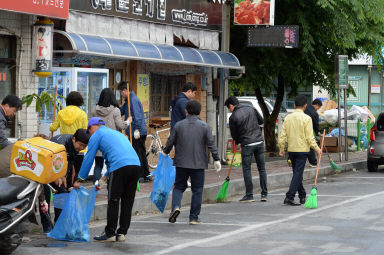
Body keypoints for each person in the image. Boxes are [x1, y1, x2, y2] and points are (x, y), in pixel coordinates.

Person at [74, 117, 141, 242]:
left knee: (114, 200)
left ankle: (110, 233)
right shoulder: (115, 133)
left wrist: (80, 178)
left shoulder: (97, 135)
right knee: (127, 201)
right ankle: (121, 233)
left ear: (92, 127)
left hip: (120, 167)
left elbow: (89, 158)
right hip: (136, 165)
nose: (89, 135)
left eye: (89, 131)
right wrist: (104, 177)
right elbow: (117, 155)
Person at [162, 100, 221, 225]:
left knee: (178, 187)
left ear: (186, 111)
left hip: (181, 163)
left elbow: (170, 141)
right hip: (198, 164)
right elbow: (211, 144)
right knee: (197, 189)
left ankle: (176, 207)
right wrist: (216, 159)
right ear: (199, 112)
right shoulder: (205, 126)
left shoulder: (178, 125)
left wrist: (165, 152)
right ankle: (193, 217)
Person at [39, 129, 90, 233]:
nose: (81, 148)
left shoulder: (75, 148)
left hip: (59, 171)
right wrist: (58, 175)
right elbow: (53, 160)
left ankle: (59, 225)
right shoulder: (60, 144)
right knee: (45, 198)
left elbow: (69, 165)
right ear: (74, 139)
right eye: (80, 145)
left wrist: (69, 183)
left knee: (62, 193)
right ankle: (47, 226)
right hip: (44, 170)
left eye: (84, 147)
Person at [278, 95, 321, 206]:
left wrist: (281, 148)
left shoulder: (288, 118)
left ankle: (302, 195)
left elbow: (282, 136)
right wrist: (317, 149)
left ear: (294, 105)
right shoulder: (307, 119)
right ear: (305, 106)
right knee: (297, 173)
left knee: (297, 173)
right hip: (302, 150)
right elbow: (309, 137)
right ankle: (289, 196)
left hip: (292, 150)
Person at [225, 96, 268, 202]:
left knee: (247, 169)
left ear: (231, 106)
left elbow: (234, 135)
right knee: (262, 169)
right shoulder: (251, 108)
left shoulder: (233, 117)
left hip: (247, 144)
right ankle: (264, 194)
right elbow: (261, 121)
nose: (229, 110)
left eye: (228, 108)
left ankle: (249, 195)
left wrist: (239, 141)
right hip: (259, 141)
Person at [92, 88, 131, 183]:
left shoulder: (94, 110)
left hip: (98, 142)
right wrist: (128, 122)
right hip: (111, 143)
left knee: (98, 165)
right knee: (111, 166)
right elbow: (120, 125)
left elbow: (92, 125)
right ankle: (110, 186)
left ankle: (95, 188)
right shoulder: (115, 110)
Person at [118, 81, 151, 182]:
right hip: (136, 131)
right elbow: (121, 111)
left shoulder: (133, 100)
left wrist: (136, 130)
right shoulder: (128, 100)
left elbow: (138, 117)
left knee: (138, 153)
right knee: (141, 152)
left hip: (137, 132)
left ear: (125, 90)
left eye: (121, 91)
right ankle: (146, 173)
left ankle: (141, 175)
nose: (121, 94)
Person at [304, 99, 323, 167]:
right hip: (309, 131)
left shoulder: (304, 108)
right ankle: (313, 162)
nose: (318, 109)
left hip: (299, 131)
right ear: (317, 105)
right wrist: (318, 132)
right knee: (311, 145)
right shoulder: (314, 113)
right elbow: (315, 124)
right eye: (319, 108)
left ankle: (291, 159)